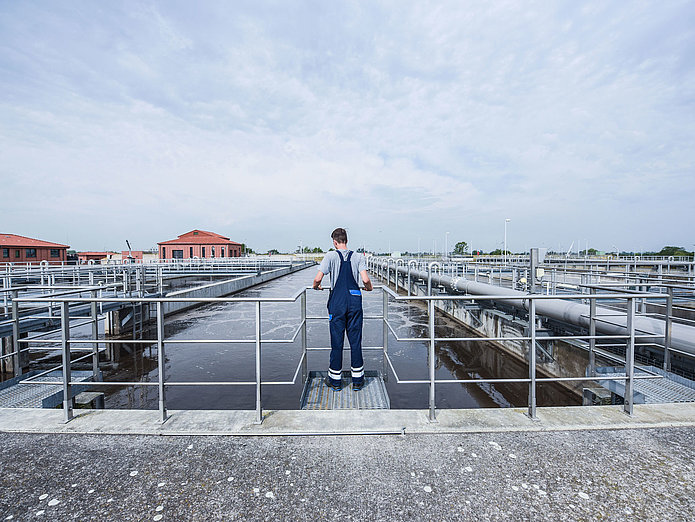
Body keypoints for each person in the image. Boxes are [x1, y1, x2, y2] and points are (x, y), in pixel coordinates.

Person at [313, 228, 373, 391]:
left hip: (337, 303)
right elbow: (365, 279)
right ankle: (358, 381)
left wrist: (315, 286)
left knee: (337, 342)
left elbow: (318, 278)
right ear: (346, 240)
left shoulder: (331, 256)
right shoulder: (358, 256)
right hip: (354, 301)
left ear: (334, 242)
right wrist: (369, 288)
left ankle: (336, 381)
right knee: (355, 342)